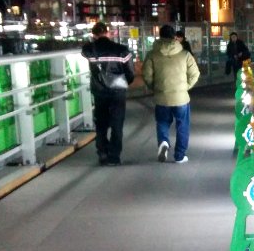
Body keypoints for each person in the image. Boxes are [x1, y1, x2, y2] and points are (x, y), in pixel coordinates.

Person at [143, 24, 200, 164]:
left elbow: (146, 75)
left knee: (162, 122)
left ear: (159, 37)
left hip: (161, 97)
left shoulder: (152, 55)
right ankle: (180, 155)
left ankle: (163, 142)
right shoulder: (185, 54)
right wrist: (185, 87)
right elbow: (195, 74)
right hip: (181, 98)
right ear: (174, 37)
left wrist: (155, 87)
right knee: (182, 125)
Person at [81, 21, 135, 166]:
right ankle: (114, 156)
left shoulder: (90, 50)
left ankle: (102, 152)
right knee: (117, 124)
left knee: (101, 123)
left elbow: (83, 49)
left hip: (99, 91)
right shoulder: (121, 50)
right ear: (108, 32)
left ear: (93, 35)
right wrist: (124, 83)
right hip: (118, 92)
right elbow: (130, 73)